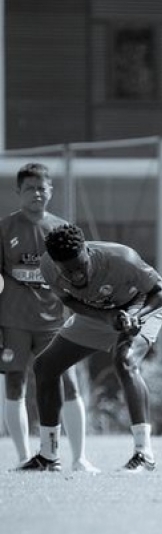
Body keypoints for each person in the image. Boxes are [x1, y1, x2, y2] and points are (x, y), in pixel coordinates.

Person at [17, 223, 162, 472]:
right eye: (68, 271)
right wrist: (107, 318)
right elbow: (68, 299)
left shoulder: (122, 259)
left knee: (125, 360)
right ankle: (48, 456)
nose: (76, 276)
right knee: (45, 367)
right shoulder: (47, 266)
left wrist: (137, 315)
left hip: (141, 305)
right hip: (98, 312)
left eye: (80, 267)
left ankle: (145, 454)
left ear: (86, 251)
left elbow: (161, 291)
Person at [0, 163, 98, 472]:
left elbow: (80, 277)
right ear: (19, 192)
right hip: (13, 322)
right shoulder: (4, 228)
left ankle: (79, 458)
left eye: (42, 188)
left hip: (55, 324)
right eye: (30, 188)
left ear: (51, 191)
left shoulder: (62, 230)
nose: (37, 193)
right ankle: (23, 458)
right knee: (15, 385)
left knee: (68, 385)